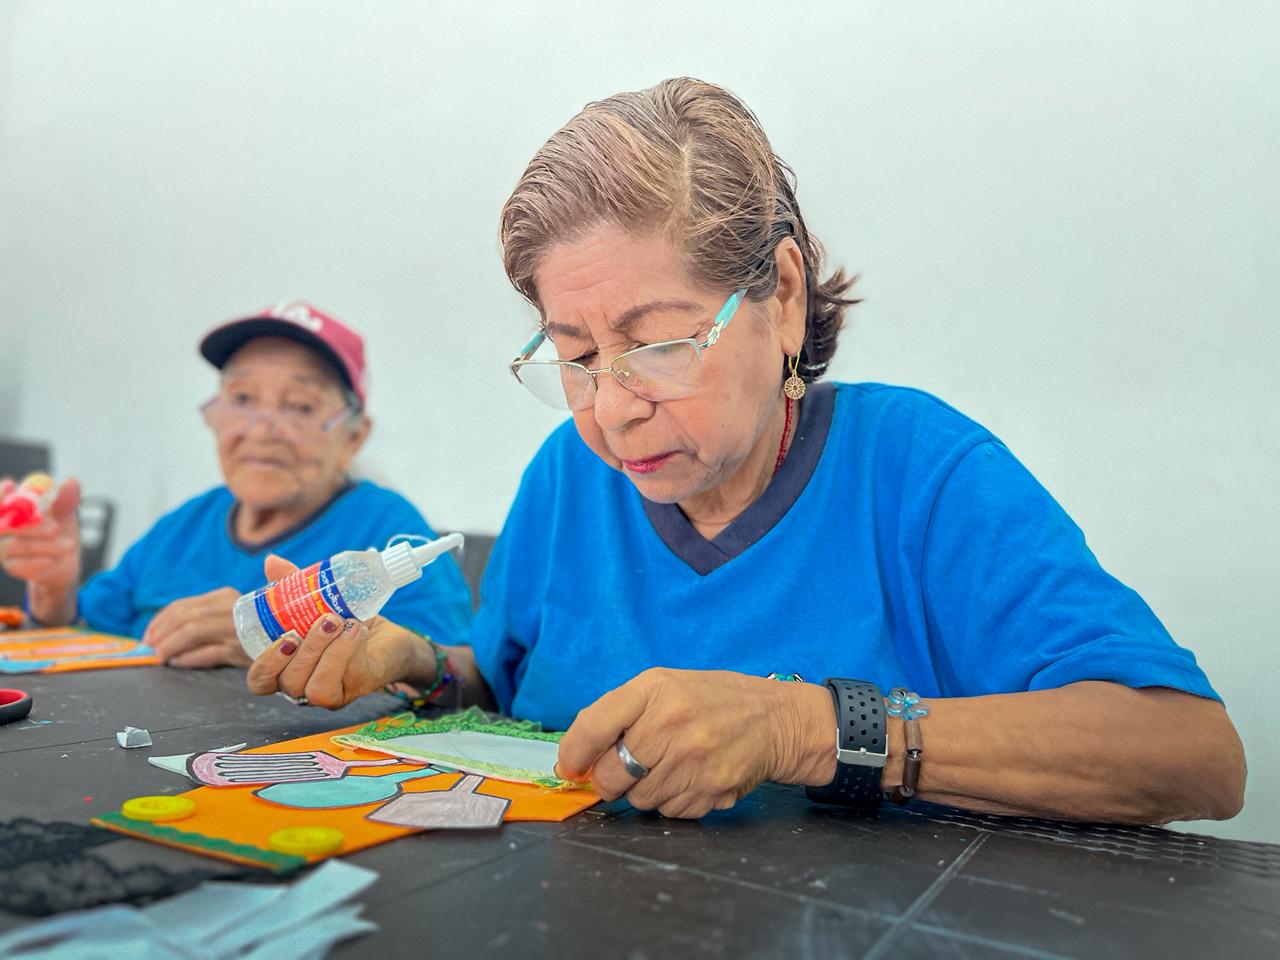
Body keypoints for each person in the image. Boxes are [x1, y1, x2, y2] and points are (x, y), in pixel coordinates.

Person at [246, 80, 1245, 825]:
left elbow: (1189, 753)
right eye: (575, 357)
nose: (613, 411)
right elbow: (512, 693)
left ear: (783, 295)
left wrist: (805, 729)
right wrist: (419, 665)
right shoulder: (566, 476)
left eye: (658, 345)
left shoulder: (914, 470)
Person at [0, 301, 472, 667]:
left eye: (300, 406)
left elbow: (448, 681)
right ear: (214, 415)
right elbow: (85, 634)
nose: (261, 430)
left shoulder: (389, 532)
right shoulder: (185, 524)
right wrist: (53, 589)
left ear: (354, 436)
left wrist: (266, 637)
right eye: (242, 398)